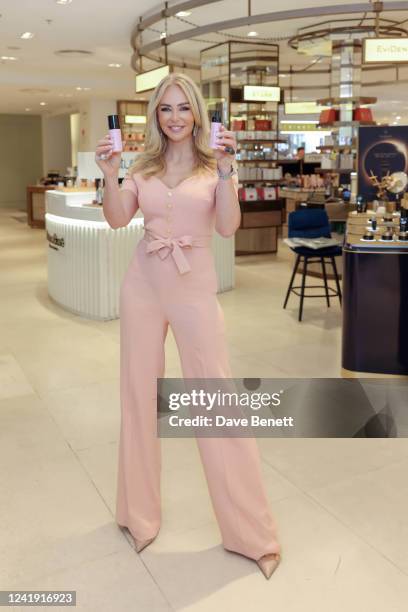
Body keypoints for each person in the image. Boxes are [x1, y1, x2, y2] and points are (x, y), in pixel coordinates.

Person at [95, 73, 281, 579]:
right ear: (155, 116)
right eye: (164, 109)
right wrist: (110, 174)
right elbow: (116, 220)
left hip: (194, 287)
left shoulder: (215, 165)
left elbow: (226, 227)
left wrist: (226, 174)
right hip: (143, 287)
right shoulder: (143, 166)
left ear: (197, 113)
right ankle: (139, 518)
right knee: (138, 396)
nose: (174, 117)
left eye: (183, 108)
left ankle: (250, 533)